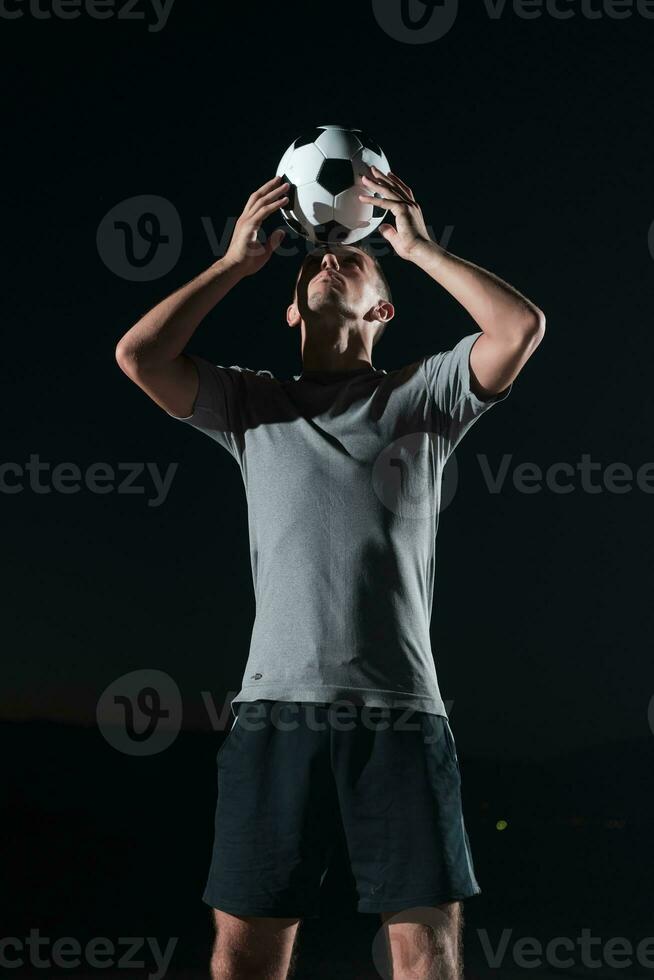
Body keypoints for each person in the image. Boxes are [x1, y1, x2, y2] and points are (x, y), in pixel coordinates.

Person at [115, 168, 545, 980]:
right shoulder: (250, 404)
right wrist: (235, 265)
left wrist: (416, 249)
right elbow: (140, 354)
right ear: (288, 310)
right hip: (274, 711)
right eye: (311, 267)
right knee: (245, 956)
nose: (325, 264)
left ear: (382, 310)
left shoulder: (425, 397)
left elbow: (519, 327)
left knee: (426, 953)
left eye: (352, 264)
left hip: (401, 714)